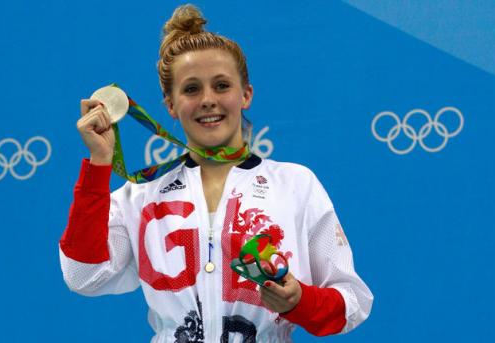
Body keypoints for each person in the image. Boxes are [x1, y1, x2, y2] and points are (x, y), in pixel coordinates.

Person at [59, 4, 373, 342]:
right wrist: (99, 164)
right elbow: (83, 274)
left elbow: (352, 303)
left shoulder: (295, 185)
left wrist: (299, 301)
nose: (208, 100)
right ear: (171, 106)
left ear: (245, 95)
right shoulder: (140, 195)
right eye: (191, 89)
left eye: (221, 85)